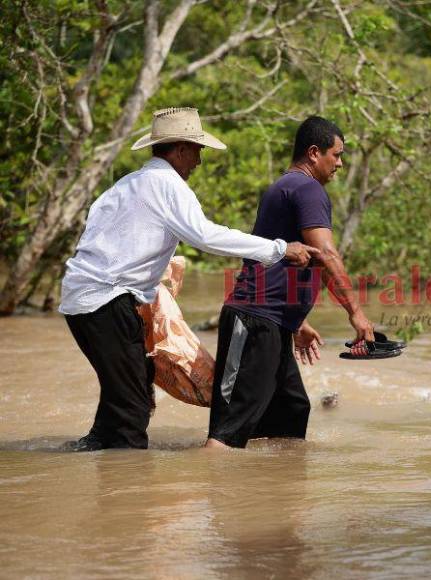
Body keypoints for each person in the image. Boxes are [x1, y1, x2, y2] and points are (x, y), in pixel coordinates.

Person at [59, 107, 318, 451]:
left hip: (84, 299)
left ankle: (88, 454)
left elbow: (107, 242)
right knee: (132, 410)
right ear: (180, 150)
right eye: (197, 151)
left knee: (129, 390)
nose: (198, 161)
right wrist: (279, 249)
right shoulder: (167, 185)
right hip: (105, 300)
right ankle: (122, 487)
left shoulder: (127, 184)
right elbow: (206, 236)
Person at [205, 115, 375, 449]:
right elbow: (326, 254)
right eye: (336, 154)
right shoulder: (307, 188)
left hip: (274, 324)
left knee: (290, 414)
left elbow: (279, 261)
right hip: (253, 321)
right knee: (228, 433)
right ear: (314, 152)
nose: (340, 163)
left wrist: (297, 322)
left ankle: (273, 497)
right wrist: (355, 312)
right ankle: (209, 494)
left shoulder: (284, 188)